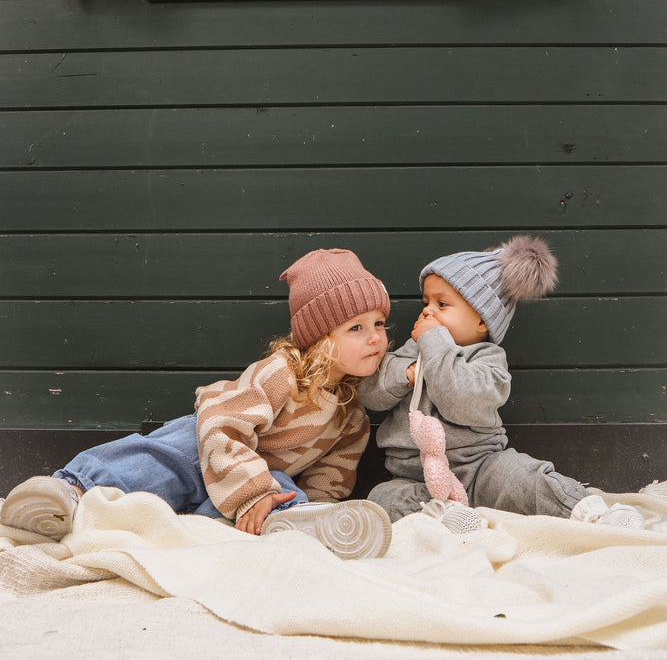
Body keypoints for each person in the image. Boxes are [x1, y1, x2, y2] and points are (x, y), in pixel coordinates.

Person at [1, 248, 393, 559]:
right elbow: (222, 427)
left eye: (379, 323)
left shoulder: (351, 416)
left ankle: (299, 525)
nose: (375, 337)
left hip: (242, 484)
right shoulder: (281, 373)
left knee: (283, 489)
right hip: (209, 445)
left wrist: (310, 504)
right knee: (162, 462)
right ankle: (69, 490)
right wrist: (253, 489)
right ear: (320, 338)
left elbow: (329, 479)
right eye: (356, 328)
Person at [359, 236, 648, 530]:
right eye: (426, 302)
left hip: (480, 467)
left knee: (526, 477)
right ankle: (449, 517)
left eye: (442, 304)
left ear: (482, 321)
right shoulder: (411, 351)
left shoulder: (489, 360)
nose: (427, 311)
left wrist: (435, 343)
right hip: (414, 477)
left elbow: (456, 398)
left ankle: (588, 511)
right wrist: (406, 373)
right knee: (381, 498)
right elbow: (371, 394)